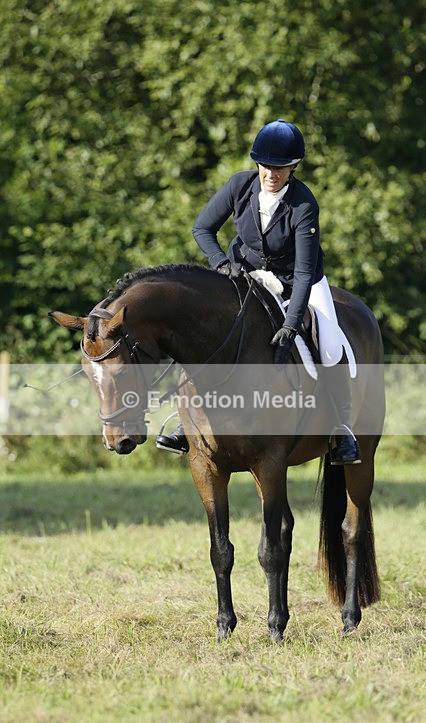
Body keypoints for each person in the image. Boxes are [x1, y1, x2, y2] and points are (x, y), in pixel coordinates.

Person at [156, 119, 360, 465]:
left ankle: (341, 428)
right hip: (245, 275)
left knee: (328, 343)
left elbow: (304, 270)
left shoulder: (304, 204)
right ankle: (185, 421)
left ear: (293, 167)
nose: (270, 174)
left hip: (300, 281)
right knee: (207, 330)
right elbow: (202, 228)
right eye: (265, 166)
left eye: (279, 168)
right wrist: (221, 264)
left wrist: (292, 324)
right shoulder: (240, 185)